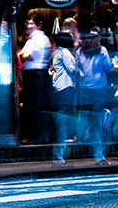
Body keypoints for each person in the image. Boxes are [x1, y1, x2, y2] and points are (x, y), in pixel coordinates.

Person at [77, 29, 114, 165]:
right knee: (97, 120)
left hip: (84, 87)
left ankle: (80, 139)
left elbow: (76, 68)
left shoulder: (80, 51)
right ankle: (98, 154)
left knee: (84, 114)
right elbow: (108, 67)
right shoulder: (102, 50)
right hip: (98, 87)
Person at [18, 15, 52, 143]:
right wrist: (24, 56)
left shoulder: (36, 39)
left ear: (39, 25)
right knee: (35, 105)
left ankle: (38, 136)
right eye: (27, 23)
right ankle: (39, 135)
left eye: (32, 23)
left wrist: (24, 56)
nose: (28, 26)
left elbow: (25, 56)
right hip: (36, 74)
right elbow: (23, 56)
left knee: (35, 105)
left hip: (35, 74)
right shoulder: (34, 39)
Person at [49, 31, 78, 163]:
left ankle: (60, 149)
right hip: (66, 86)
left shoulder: (57, 52)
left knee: (62, 117)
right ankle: (60, 151)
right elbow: (72, 69)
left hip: (59, 86)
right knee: (64, 118)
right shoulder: (65, 52)